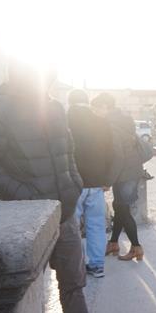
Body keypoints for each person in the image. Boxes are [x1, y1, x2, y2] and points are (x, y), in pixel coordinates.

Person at [0, 61, 115, 313]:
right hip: (26, 219)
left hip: (63, 214)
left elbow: (69, 154)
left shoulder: (54, 108)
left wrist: (73, 186)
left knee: (73, 283)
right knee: (27, 292)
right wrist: (31, 198)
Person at [91, 93, 145, 261]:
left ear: (106, 107)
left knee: (123, 210)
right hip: (131, 171)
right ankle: (113, 243)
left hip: (124, 174)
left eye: (97, 107)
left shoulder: (111, 125)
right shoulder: (125, 120)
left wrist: (108, 181)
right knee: (120, 207)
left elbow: (118, 156)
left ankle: (136, 247)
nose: (95, 111)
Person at [67, 89, 114, 278]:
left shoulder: (62, 120)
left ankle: (73, 268)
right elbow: (110, 153)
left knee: (71, 227)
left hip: (72, 183)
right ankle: (97, 265)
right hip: (96, 183)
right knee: (96, 225)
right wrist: (106, 180)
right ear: (87, 102)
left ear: (70, 102)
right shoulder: (101, 122)